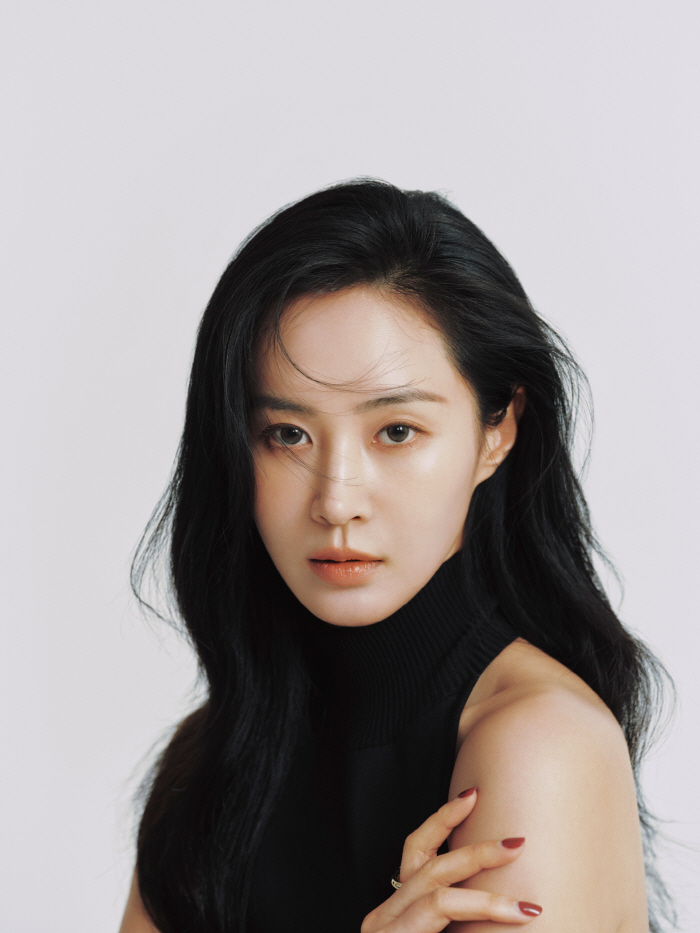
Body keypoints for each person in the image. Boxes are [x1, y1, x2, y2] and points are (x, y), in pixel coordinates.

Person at [119, 180, 673, 933]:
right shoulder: (213, 755)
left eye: (397, 431)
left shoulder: (539, 744)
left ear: (497, 432)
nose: (336, 500)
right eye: (288, 434)